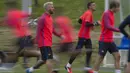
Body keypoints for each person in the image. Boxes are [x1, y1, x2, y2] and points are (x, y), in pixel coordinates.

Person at [26, 2, 62, 73]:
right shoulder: (43, 18)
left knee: (44, 60)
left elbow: (53, 30)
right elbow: (38, 31)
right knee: (49, 59)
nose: (53, 8)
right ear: (48, 8)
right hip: (44, 42)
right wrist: (36, 43)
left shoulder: (50, 18)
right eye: (52, 7)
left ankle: (30, 70)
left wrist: (60, 35)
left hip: (48, 42)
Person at [65, 1, 96, 73]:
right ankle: (68, 65)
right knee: (77, 51)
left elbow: (79, 21)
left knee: (89, 50)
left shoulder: (86, 13)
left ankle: (87, 68)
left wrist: (89, 25)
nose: (95, 6)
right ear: (89, 7)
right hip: (83, 36)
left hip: (86, 36)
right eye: (93, 5)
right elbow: (87, 24)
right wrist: (94, 23)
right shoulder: (89, 13)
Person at [93, 1, 121, 73]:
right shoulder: (106, 14)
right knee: (100, 58)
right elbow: (108, 26)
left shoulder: (112, 14)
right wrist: (119, 30)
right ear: (114, 7)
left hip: (110, 41)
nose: (119, 9)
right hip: (104, 40)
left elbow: (107, 26)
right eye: (118, 7)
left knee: (117, 56)